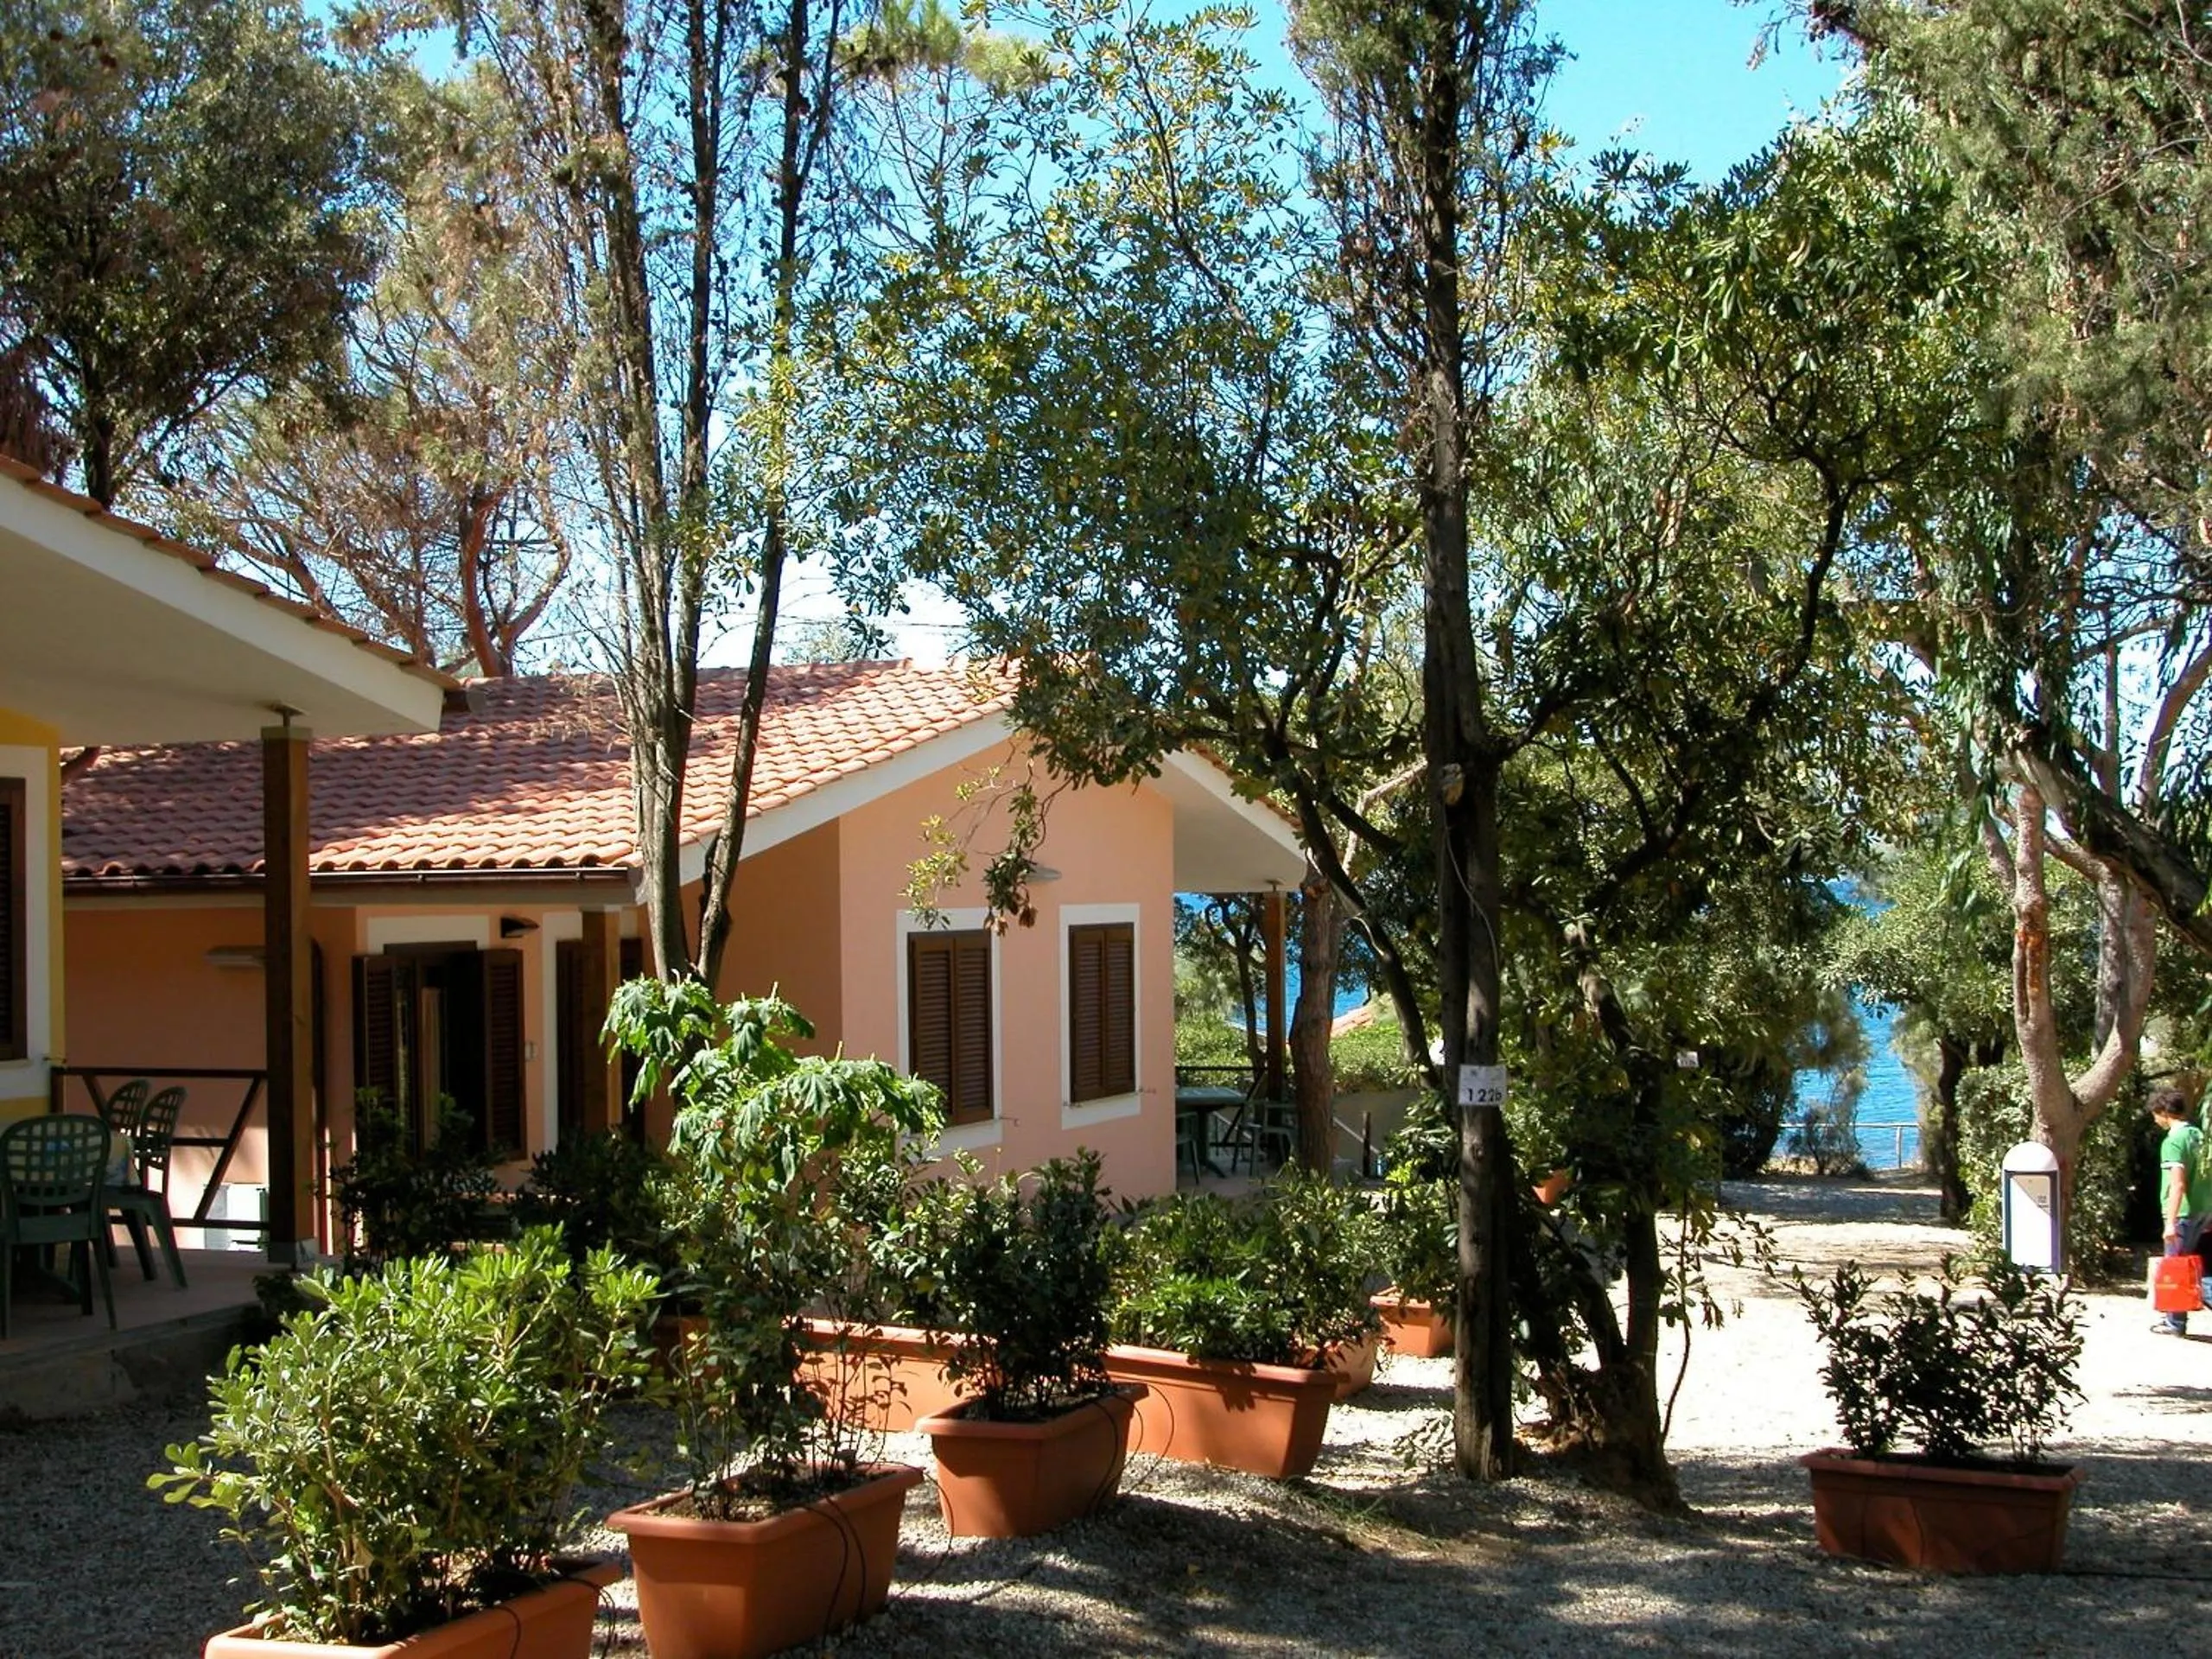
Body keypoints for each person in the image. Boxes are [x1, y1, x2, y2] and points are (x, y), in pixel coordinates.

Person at [2150, 1088, 2210, 1337]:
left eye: (2155, 1114)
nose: (2155, 1120)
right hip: (2203, 1209)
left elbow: (2177, 1184)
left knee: (2179, 1267)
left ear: (2164, 1112)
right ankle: (2175, 1320)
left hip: (2183, 1212)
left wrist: (2170, 1222)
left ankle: (2175, 1322)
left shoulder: (2173, 1141)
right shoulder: (2199, 1135)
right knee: (2201, 1268)